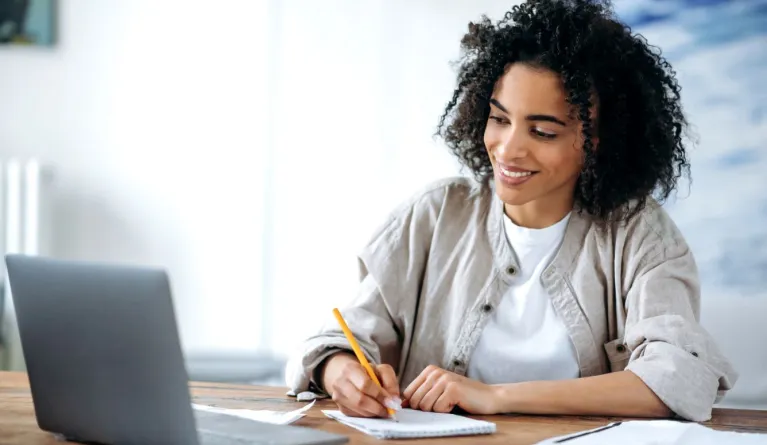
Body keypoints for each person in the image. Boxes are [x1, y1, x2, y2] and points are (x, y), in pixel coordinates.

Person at [284, 0, 737, 422]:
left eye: (542, 132)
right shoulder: (434, 216)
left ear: (599, 142)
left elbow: (678, 379)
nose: (508, 149)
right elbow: (335, 340)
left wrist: (495, 396)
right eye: (499, 119)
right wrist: (339, 369)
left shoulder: (639, 234)